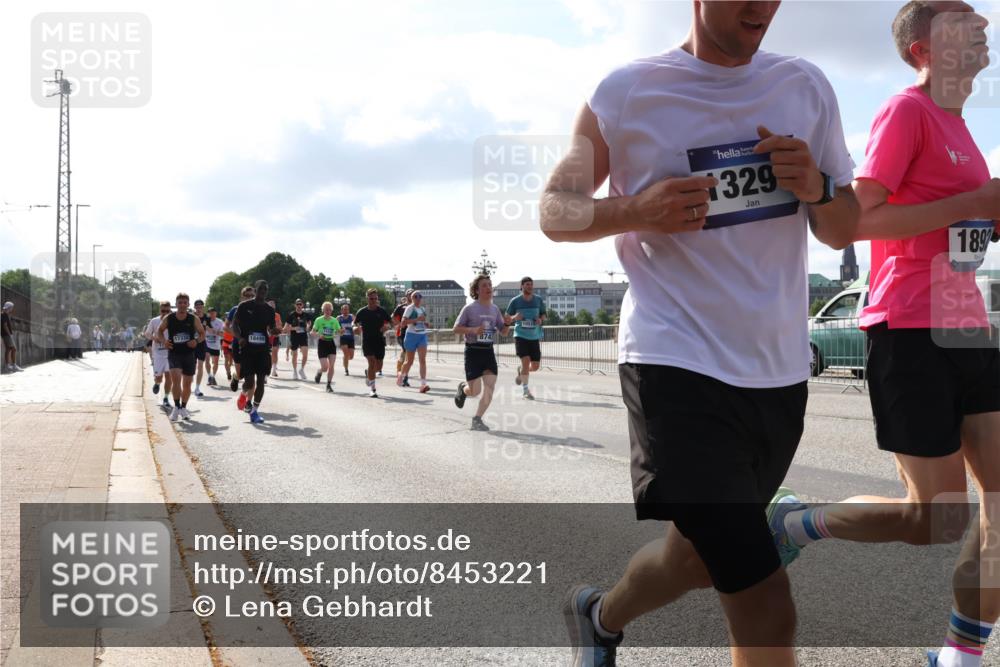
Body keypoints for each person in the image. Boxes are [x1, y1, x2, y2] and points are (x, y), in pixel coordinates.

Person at [539, 1, 860, 664]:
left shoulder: (806, 87)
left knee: (696, 557)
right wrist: (637, 209)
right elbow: (555, 209)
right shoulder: (626, 92)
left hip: (776, 374)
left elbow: (842, 226)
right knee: (766, 601)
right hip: (672, 362)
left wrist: (818, 185)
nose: (760, 5)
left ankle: (600, 616)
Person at [773, 5, 1000, 667]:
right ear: (924, 49)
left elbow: (961, 230)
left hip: (967, 326)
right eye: (965, 21)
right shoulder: (906, 112)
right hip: (909, 326)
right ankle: (796, 520)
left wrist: (988, 220)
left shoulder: (961, 129)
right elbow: (861, 218)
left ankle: (959, 654)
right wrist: (972, 203)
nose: (984, 22)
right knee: (936, 517)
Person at [453, 275, 509, 431]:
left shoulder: (495, 309)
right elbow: (456, 329)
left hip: (488, 351)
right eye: (484, 285)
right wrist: (473, 330)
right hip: (473, 352)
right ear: (477, 290)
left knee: (489, 389)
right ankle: (464, 389)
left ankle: (477, 419)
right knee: (475, 391)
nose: (488, 288)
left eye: (490, 285)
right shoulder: (469, 308)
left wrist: (508, 323)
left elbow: (503, 332)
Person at [232, 280, 279, 424]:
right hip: (247, 348)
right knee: (250, 382)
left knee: (261, 382)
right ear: (256, 290)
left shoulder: (269, 310)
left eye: (265, 290)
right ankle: (243, 393)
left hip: (263, 349)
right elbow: (234, 325)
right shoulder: (244, 306)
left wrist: (275, 331)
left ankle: (254, 411)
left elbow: (270, 328)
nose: (263, 292)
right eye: (260, 289)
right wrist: (239, 337)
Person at [157, 293, 205, 422]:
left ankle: (183, 408)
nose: (182, 305)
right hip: (174, 353)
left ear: (188, 304)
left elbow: (202, 334)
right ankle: (176, 407)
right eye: (180, 302)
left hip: (189, 354)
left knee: (188, 384)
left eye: (185, 302)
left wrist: (196, 341)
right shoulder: (169, 318)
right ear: (176, 304)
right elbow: (159, 331)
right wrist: (164, 341)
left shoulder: (193, 318)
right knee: (176, 380)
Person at [505, 276, 547, 400]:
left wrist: (540, 319)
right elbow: (506, 318)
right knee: (526, 361)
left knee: (535, 366)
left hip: (534, 336)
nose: (530, 286)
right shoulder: (515, 301)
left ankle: (521, 372)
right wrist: (514, 318)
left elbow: (544, 314)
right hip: (520, 336)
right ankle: (525, 391)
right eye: (527, 284)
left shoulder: (538, 300)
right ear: (522, 286)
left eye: (531, 284)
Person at [354, 289, 392, 398]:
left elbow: (391, 323)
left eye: (376, 298)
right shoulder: (362, 312)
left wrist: (387, 327)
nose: (374, 300)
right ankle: (373, 389)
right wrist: (355, 328)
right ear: (367, 299)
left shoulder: (381, 311)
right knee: (371, 362)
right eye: (371, 298)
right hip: (367, 341)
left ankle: (369, 375)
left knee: (379, 367)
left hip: (379, 341)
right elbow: (354, 323)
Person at [399, 291, 431, 393]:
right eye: (415, 297)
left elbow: (422, 321)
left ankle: (423, 384)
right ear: (412, 299)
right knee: (410, 361)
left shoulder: (422, 309)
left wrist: (425, 323)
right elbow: (403, 323)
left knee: (423, 360)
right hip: (411, 336)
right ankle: (401, 376)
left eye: (419, 297)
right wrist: (416, 319)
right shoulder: (409, 308)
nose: (418, 298)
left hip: (422, 335)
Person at [225, 286, 255, 392]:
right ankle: (236, 376)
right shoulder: (235, 309)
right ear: (242, 297)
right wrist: (238, 336)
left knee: (251, 374)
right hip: (238, 343)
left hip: (253, 344)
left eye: (252, 295)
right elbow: (226, 327)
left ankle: (248, 402)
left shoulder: (257, 309)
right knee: (240, 374)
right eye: (247, 296)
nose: (250, 298)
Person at [145, 301, 174, 407]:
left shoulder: (173, 321)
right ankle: (157, 383)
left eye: (167, 311)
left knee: (169, 376)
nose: (165, 313)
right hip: (158, 353)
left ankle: (166, 398)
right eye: (163, 311)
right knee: (159, 377)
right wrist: (154, 338)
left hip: (170, 354)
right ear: (160, 310)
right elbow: (147, 334)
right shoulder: (154, 321)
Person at [310, 301, 341, 392]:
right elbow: (312, 332)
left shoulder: (334, 320)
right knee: (325, 367)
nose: (328, 311)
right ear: (323, 310)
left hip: (331, 343)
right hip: (322, 343)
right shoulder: (319, 320)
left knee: (331, 366)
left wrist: (341, 332)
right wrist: (319, 335)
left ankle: (328, 385)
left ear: (331, 311)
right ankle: (319, 372)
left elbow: (338, 331)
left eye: (329, 310)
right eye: (326, 309)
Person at [285, 298, 313, 380]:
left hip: (303, 336)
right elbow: (286, 328)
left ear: (302, 305)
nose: (299, 306)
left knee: (305, 354)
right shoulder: (291, 315)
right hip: (294, 337)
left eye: (300, 304)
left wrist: (308, 327)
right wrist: (294, 328)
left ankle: (301, 369)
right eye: (297, 304)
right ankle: (294, 371)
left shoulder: (306, 314)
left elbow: (309, 323)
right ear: (295, 305)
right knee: (295, 355)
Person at [392, 288, 414, 386]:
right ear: (406, 296)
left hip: (414, 334)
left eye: (413, 294)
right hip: (403, 334)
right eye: (410, 294)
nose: (412, 296)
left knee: (406, 356)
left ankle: (400, 370)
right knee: (407, 355)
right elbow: (392, 317)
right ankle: (404, 378)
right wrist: (399, 324)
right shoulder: (401, 307)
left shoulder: (417, 307)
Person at [203, 307, 225, 385]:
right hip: (206, 343)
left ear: (216, 313)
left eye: (213, 312)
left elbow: (222, 334)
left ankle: (213, 376)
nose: (211, 314)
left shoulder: (220, 322)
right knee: (207, 360)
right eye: (210, 313)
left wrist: (213, 331)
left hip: (216, 344)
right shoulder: (205, 321)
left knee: (215, 362)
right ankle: (209, 376)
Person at [192, 299, 209, 397]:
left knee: (200, 366)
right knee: (192, 367)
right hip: (192, 344)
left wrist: (218, 332)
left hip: (202, 344)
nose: (199, 308)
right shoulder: (191, 317)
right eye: (197, 306)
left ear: (203, 307)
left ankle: (197, 388)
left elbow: (211, 327)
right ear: (195, 307)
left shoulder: (207, 317)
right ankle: (189, 382)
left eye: (200, 306)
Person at [2, 301, 22, 372]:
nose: (12, 309)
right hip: (7, 335)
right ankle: (13, 365)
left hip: (6, 335)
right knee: (14, 349)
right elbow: (4, 326)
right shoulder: (4, 315)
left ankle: (7, 366)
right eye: (11, 308)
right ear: (9, 307)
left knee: (8, 349)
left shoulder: (5, 314)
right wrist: (9, 334)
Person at [337, 303, 356, 375]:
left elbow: (357, 324)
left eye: (347, 309)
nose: (346, 311)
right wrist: (339, 330)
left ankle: (345, 360)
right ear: (341, 310)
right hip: (343, 338)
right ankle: (346, 370)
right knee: (346, 353)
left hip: (351, 338)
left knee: (351, 357)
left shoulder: (352, 317)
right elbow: (335, 326)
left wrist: (357, 327)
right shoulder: (339, 318)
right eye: (344, 309)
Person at [268, 299, 283, 378]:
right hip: (268, 337)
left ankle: (273, 370)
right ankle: (269, 368)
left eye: (273, 306)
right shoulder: (265, 314)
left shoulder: (277, 315)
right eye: (270, 305)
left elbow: (280, 325)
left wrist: (279, 329)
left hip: (276, 336)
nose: (272, 307)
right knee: (269, 354)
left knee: (275, 352)